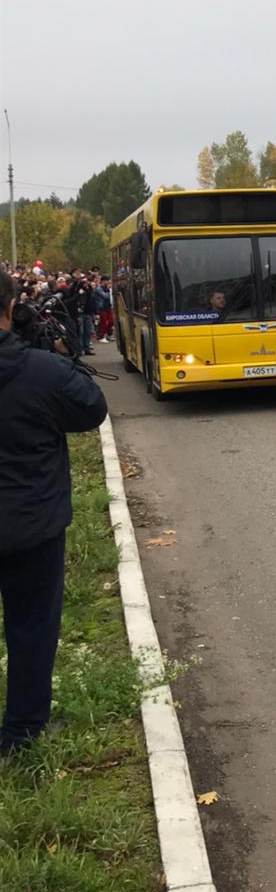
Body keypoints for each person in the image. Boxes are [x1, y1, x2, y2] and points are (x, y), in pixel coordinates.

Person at [0, 271, 108, 755]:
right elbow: (90, 409)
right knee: (30, 628)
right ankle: (22, 732)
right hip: (31, 526)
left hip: (31, 522)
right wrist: (54, 353)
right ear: (10, 306)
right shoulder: (40, 370)